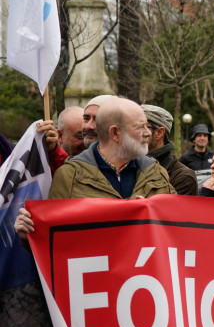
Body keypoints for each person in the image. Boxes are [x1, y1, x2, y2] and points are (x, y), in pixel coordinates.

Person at [15, 98, 175, 236]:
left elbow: (178, 229)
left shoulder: (157, 173)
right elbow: (53, 240)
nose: (147, 133)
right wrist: (29, 233)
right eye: (140, 127)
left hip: (143, 271)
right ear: (115, 133)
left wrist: (153, 213)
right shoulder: (69, 175)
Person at [142, 104, 197, 195]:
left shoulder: (182, 178)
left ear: (159, 133)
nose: (133, 133)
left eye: (141, 127)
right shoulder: (126, 165)